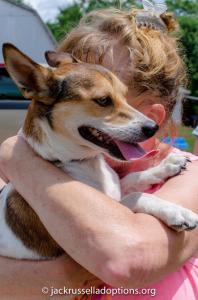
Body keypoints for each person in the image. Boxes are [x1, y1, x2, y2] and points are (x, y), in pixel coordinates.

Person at [0, 6, 198, 300]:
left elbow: (124, 258)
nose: (124, 113)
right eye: (104, 100)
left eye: (118, 95)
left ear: (154, 115)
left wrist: (17, 157)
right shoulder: (30, 178)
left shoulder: (188, 176)